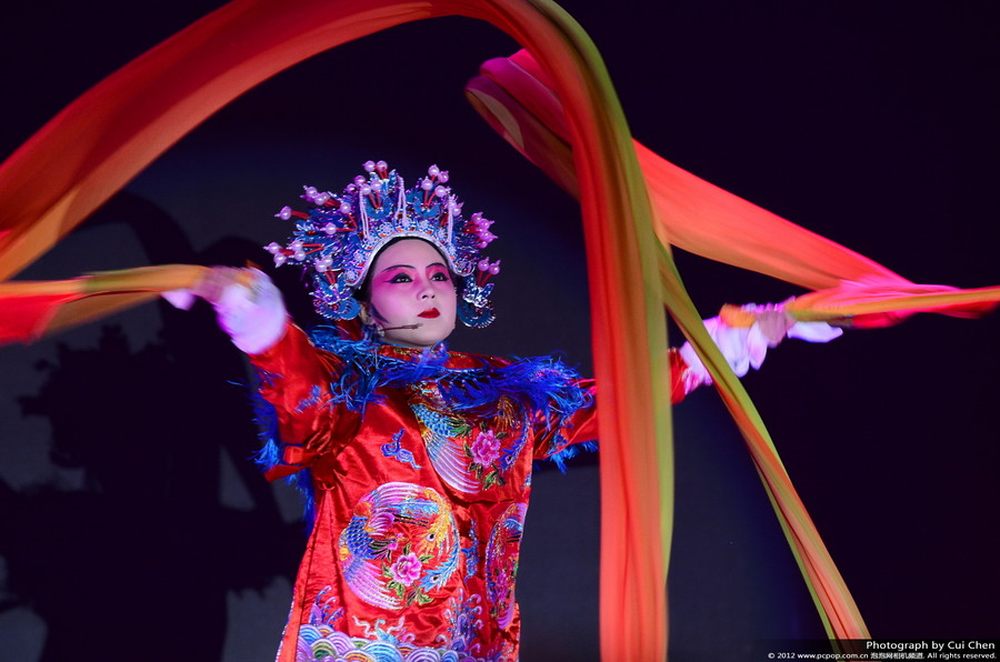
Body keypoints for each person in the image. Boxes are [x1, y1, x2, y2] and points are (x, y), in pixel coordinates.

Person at [166, 160, 840, 661]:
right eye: (401, 277)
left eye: (439, 275)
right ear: (366, 304)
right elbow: (300, 400)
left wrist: (735, 337)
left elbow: (618, 400)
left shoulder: (508, 393)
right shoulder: (348, 387)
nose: (428, 288)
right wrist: (261, 325)